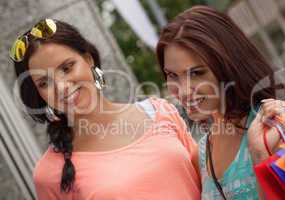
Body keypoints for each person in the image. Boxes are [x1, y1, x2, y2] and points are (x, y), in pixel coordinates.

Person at [10, 19, 200, 199]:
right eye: (44, 82)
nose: (62, 87)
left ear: (88, 59)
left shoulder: (160, 111)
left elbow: (210, 183)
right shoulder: (49, 174)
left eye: (67, 68)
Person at [157, 5, 285, 199]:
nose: (182, 91)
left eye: (197, 73)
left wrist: (259, 155)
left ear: (228, 65)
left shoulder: (277, 127)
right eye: (172, 75)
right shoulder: (200, 154)